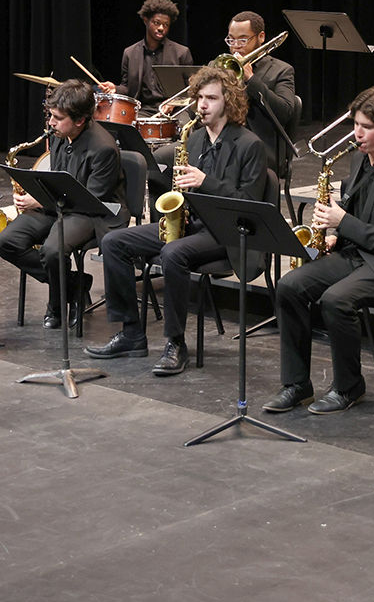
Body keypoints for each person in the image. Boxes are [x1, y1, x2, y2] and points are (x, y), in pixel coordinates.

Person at [264, 86, 374, 415]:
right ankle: (297, 383)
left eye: (366, 127)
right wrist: (334, 237)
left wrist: (343, 222)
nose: (356, 133)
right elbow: (356, 217)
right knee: (290, 286)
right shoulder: (360, 159)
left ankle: (348, 385)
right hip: (358, 254)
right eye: (355, 124)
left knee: (336, 299)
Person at [86, 66, 267, 376]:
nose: (202, 105)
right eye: (199, 97)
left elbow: (250, 204)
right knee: (115, 241)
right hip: (191, 224)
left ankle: (175, 343)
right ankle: (131, 332)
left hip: (226, 232)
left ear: (230, 102)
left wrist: (205, 182)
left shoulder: (250, 145)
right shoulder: (193, 140)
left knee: (173, 253)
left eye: (211, 98)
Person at [0, 80, 129, 329]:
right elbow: (57, 177)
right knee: (6, 241)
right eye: (50, 116)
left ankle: (56, 304)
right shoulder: (59, 134)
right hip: (57, 204)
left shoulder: (103, 148)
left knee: (53, 250)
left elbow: (90, 199)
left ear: (80, 120)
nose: (50, 122)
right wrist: (36, 194)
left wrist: (41, 201)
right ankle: (74, 286)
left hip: (94, 212)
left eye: (57, 118)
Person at [222, 11, 297, 173]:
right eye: (231, 39)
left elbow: (284, 112)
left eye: (243, 39)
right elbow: (198, 112)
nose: (235, 45)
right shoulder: (220, 66)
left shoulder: (281, 70)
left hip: (260, 146)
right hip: (222, 142)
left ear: (261, 37)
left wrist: (252, 80)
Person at [99, 0, 193, 109]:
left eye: (166, 24)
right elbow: (127, 88)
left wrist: (174, 102)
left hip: (174, 111)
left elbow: (190, 89)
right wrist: (115, 88)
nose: (161, 28)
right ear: (145, 20)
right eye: (156, 23)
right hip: (142, 110)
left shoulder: (181, 53)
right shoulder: (130, 53)